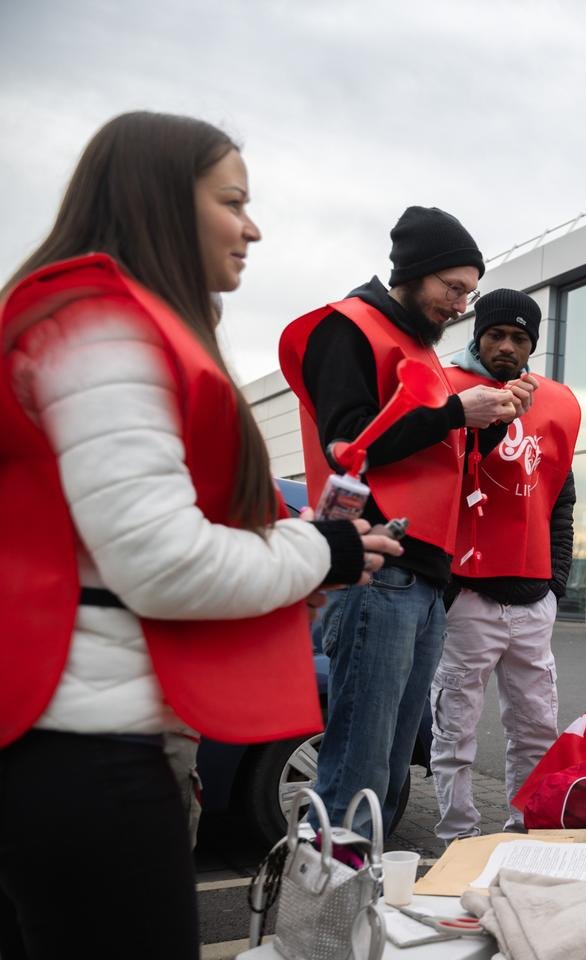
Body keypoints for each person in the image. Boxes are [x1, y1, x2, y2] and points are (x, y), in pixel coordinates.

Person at [0, 111, 396, 959]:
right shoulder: (102, 328)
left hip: (88, 743)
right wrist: (318, 550)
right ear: (159, 201)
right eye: (232, 201)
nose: (253, 227)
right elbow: (161, 562)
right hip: (89, 752)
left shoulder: (104, 325)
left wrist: (306, 563)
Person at [279, 206, 532, 837]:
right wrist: (454, 412)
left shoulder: (418, 349)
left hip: (420, 574)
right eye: (453, 290)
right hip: (377, 567)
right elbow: (348, 445)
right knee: (359, 765)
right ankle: (323, 926)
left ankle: (357, 913)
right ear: (414, 274)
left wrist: (484, 419)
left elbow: (430, 461)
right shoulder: (349, 327)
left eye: (467, 294)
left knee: (389, 769)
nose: (459, 306)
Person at [431, 288, 579, 839]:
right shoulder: (447, 390)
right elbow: (433, 491)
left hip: (533, 597)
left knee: (537, 727)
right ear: (477, 334)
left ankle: (527, 825)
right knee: (454, 730)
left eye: (519, 338)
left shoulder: (560, 403)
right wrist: (447, 586)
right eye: (496, 334)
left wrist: (554, 582)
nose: (506, 347)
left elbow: (560, 499)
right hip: (468, 596)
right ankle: (455, 835)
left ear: (532, 346)